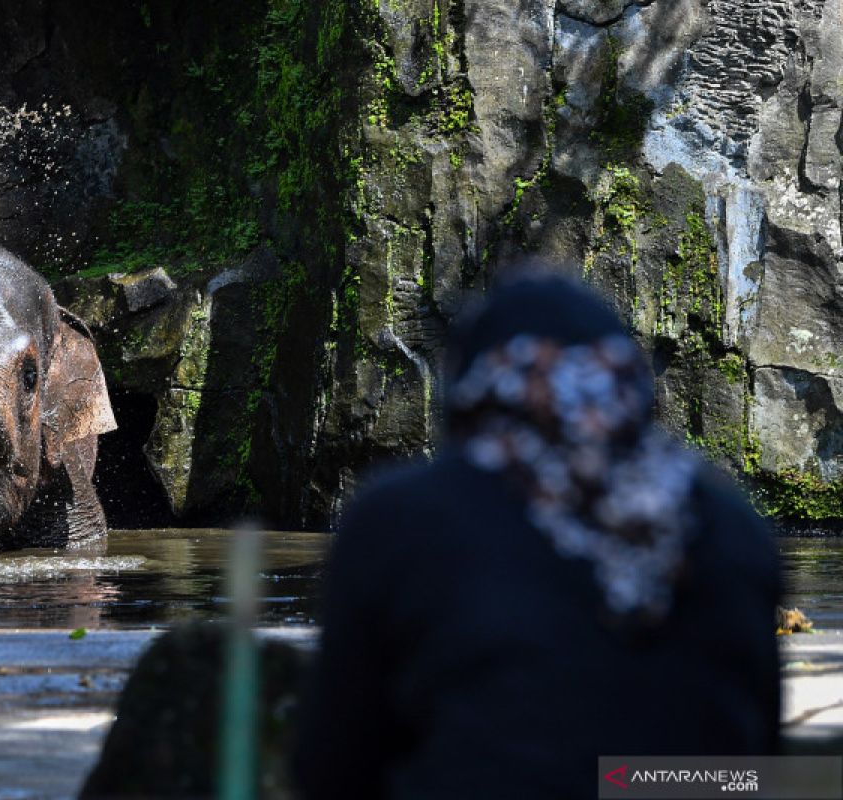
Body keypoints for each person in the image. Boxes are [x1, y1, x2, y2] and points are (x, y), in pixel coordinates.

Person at [294, 272, 780, 799]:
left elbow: (332, 766)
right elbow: (759, 764)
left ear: (476, 389)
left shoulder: (402, 518)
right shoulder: (731, 525)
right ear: (625, 383)